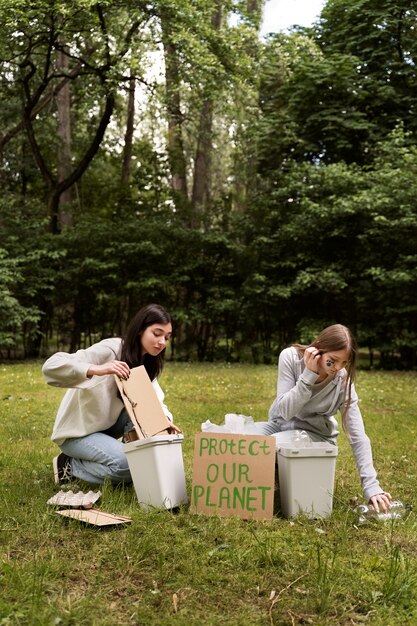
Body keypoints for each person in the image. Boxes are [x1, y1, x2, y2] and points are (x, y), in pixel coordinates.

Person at [255, 324, 392, 512]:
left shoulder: (342, 381)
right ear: (318, 348)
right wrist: (308, 376)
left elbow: (357, 435)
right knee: (244, 440)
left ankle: (280, 473)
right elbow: (285, 411)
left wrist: (371, 486)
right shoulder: (290, 358)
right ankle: (278, 473)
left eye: (344, 363)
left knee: (270, 445)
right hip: (280, 426)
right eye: (333, 360)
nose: (337, 368)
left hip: (314, 436)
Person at [43, 303, 180, 485]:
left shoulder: (147, 362)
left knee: (145, 429)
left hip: (106, 427)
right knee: (128, 467)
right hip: (77, 433)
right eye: (157, 334)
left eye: (167, 337)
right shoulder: (112, 349)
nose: (162, 342)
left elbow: (154, 400)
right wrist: (96, 369)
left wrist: (164, 421)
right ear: (140, 330)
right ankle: (69, 465)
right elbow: (51, 366)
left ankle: (126, 461)